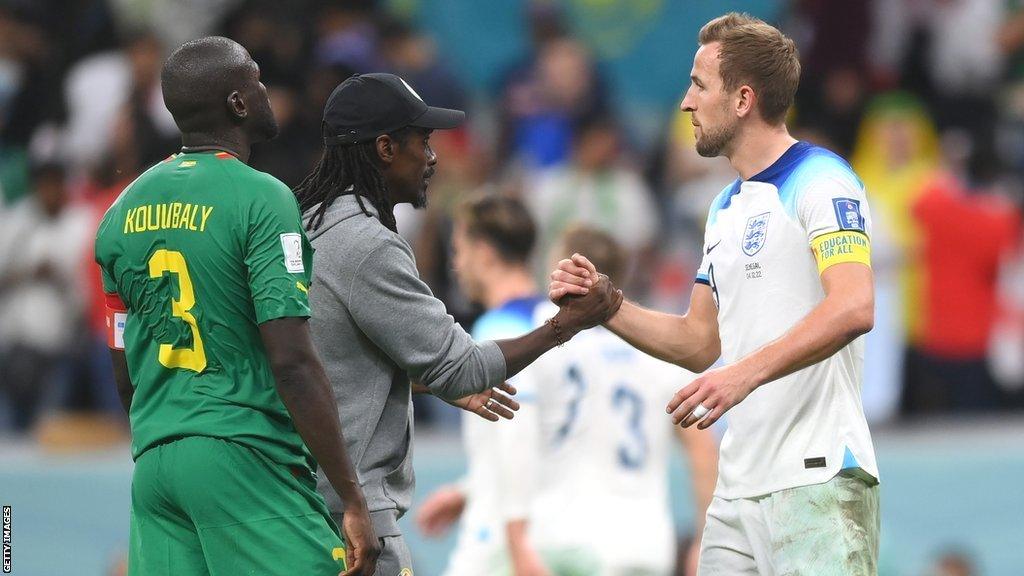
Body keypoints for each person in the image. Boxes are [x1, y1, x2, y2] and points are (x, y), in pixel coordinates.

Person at [550, 13, 880, 575]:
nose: (686, 102)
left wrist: (742, 373)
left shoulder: (823, 182)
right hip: (737, 490)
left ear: (744, 99)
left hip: (817, 477)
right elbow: (699, 342)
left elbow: (854, 306)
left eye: (700, 85)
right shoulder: (725, 207)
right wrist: (606, 307)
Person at [293, 72, 621, 576]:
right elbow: (467, 368)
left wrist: (420, 378)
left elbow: (324, 358)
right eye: (421, 142)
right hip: (351, 514)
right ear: (384, 147)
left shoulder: (301, 224)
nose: (432, 157)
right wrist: (567, 324)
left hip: (291, 502)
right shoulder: (366, 243)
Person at [94, 37, 379, 576]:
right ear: (238, 104)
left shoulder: (119, 211)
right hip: (242, 456)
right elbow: (292, 362)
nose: (267, 88)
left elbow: (123, 362)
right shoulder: (262, 198)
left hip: (156, 466)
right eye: (256, 78)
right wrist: (353, 499)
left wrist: (169, 439)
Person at [417, 214, 718, 576]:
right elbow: (702, 450)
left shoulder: (544, 334)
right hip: (648, 542)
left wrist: (512, 531)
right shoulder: (657, 352)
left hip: (568, 541)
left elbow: (523, 432)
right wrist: (703, 539)